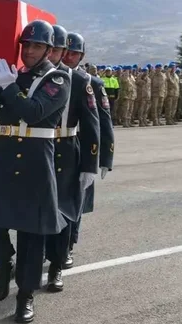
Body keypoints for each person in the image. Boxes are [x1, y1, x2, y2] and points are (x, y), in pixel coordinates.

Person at [0, 20, 71, 323]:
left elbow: (32, 113)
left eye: (37, 46)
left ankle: (25, 295)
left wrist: (7, 87)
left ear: (48, 49)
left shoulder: (57, 80)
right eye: (26, 45)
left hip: (33, 163)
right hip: (2, 158)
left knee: (31, 236)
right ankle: (4, 263)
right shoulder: (12, 76)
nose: (29, 51)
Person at [42, 25, 100, 292]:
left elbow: (92, 125)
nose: (53, 54)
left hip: (66, 149)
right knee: (37, 209)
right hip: (37, 149)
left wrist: (90, 164)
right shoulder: (34, 77)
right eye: (49, 48)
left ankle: (55, 268)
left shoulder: (79, 82)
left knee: (63, 212)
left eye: (57, 49)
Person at [62, 32, 114, 266]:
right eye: (65, 51)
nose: (68, 56)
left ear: (82, 55)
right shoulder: (51, 78)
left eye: (74, 53)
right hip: (57, 147)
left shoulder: (92, 82)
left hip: (83, 150)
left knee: (76, 201)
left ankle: (69, 245)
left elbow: (103, 123)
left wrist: (104, 158)